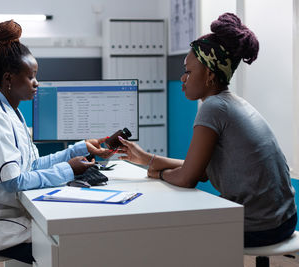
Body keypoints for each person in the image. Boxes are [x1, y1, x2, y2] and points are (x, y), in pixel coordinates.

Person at [117, 13, 296, 247]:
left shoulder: (212, 108)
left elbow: (188, 178)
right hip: (286, 219)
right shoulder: (232, 103)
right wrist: (148, 159)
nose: (182, 78)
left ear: (210, 75)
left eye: (189, 72)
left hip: (258, 227)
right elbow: (199, 170)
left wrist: (157, 173)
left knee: (169, 233)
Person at [0, 20, 113, 264]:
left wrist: (79, 148)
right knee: (65, 247)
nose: (36, 83)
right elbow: (13, 181)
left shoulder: (11, 112)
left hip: (3, 216)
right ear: (9, 78)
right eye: (31, 77)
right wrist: (69, 169)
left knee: (61, 235)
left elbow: (32, 164)